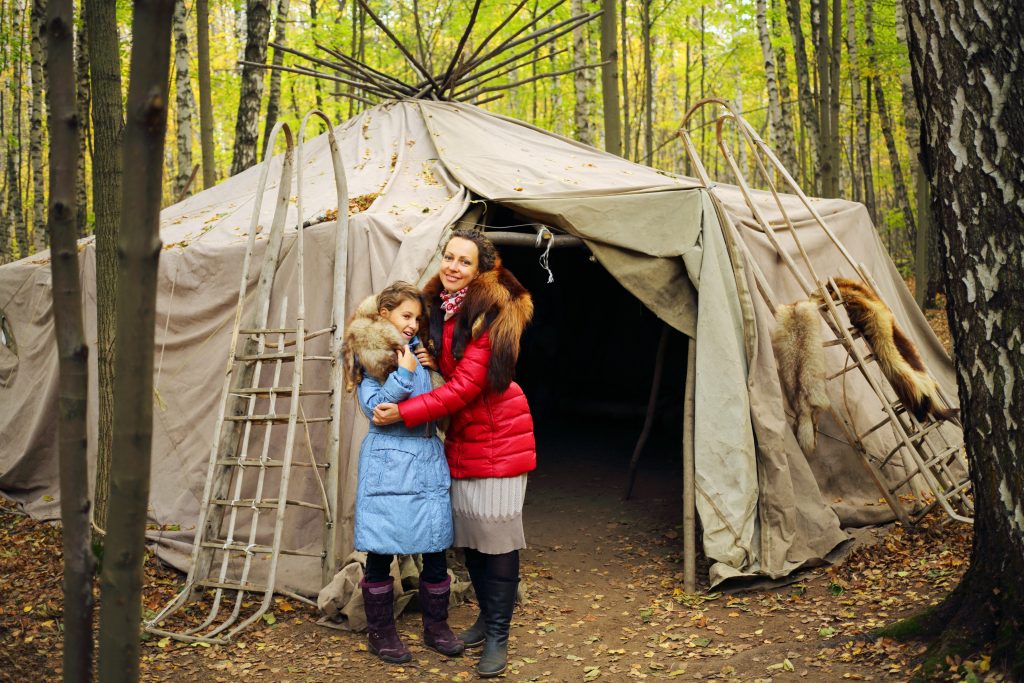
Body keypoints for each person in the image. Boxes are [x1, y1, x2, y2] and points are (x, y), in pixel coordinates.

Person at [373, 228, 536, 678]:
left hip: (498, 434)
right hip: (462, 437)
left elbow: (467, 386)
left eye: (464, 261)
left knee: (498, 540)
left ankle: (499, 634)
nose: (452, 266)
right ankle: (485, 621)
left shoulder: (491, 311)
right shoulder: (438, 312)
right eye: (448, 257)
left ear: (481, 271)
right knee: (474, 542)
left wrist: (403, 413)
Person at [341, 282, 464, 664]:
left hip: (426, 458)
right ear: (385, 316)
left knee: (434, 546)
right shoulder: (371, 354)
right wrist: (405, 373)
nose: (412, 324)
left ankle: (436, 627)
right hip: (391, 461)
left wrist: (432, 370)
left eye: (417, 318)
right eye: (405, 316)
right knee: (382, 549)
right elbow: (376, 407)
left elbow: (434, 403)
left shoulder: (414, 351)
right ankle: (381, 633)